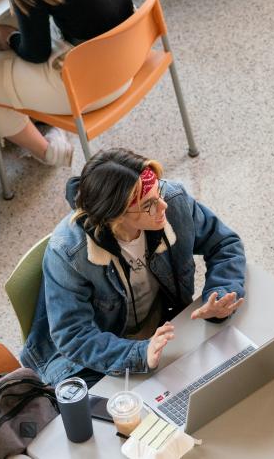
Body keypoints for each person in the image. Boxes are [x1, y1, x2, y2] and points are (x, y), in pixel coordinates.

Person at [22, 148, 246, 387]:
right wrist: (139, 354)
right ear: (115, 216)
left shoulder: (172, 200)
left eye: (157, 191)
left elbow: (224, 243)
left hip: (163, 333)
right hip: (94, 359)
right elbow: (74, 336)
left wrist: (220, 294)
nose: (163, 206)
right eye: (148, 204)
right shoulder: (67, 252)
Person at [0, 0, 134, 167]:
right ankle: (38, 116)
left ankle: (48, 151)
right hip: (128, 59)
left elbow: (36, 54)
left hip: (90, 88)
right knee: (24, 19)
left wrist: (11, 38)